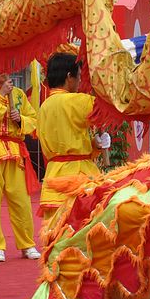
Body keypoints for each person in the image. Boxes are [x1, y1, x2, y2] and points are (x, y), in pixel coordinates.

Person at [0, 73, 41, 263]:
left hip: (14, 149)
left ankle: (27, 243)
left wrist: (20, 119)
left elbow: (33, 119)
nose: (5, 71)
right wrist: (0, 96)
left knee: (21, 200)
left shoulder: (19, 94)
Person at [37, 53, 102, 224]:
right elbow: (104, 109)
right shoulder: (77, 101)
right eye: (79, 76)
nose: (80, 81)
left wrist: (95, 144)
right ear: (69, 76)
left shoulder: (44, 106)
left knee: (54, 232)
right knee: (82, 228)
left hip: (53, 173)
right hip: (78, 173)